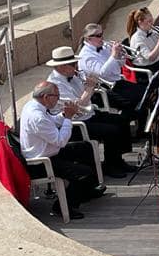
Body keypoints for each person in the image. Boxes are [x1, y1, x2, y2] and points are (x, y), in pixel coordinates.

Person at [19, 81, 105, 219]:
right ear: (46, 97)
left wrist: (64, 115)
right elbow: (60, 141)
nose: (59, 99)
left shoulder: (34, 106)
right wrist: (69, 118)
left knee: (85, 148)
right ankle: (61, 207)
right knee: (84, 173)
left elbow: (52, 121)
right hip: (41, 163)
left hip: (48, 151)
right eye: (57, 96)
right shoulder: (38, 117)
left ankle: (87, 191)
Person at [45, 46, 135, 178]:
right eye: (72, 64)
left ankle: (118, 160)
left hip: (89, 114)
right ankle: (110, 166)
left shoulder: (72, 76)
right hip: (75, 123)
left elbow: (85, 101)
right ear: (60, 67)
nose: (76, 66)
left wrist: (89, 84)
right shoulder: (55, 84)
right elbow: (76, 108)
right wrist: (89, 88)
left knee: (122, 120)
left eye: (75, 63)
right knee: (112, 131)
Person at [77, 23, 147, 125]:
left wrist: (120, 55)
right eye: (98, 35)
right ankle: (125, 125)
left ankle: (141, 128)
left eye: (102, 34)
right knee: (133, 100)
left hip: (116, 83)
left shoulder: (104, 48)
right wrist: (114, 55)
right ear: (88, 39)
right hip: (101, 90)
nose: (102, 37)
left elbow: (117, 66)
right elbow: (102, 74)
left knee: (145, 93)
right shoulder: (86, 56)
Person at [126, 7, 159, 73]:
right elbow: (151, 58)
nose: (152, 23)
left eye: (152, 20)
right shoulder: (137, 39)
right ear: (140, 22)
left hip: (157, 63)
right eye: (149, 21)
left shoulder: (152, 31)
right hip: (146, 70)